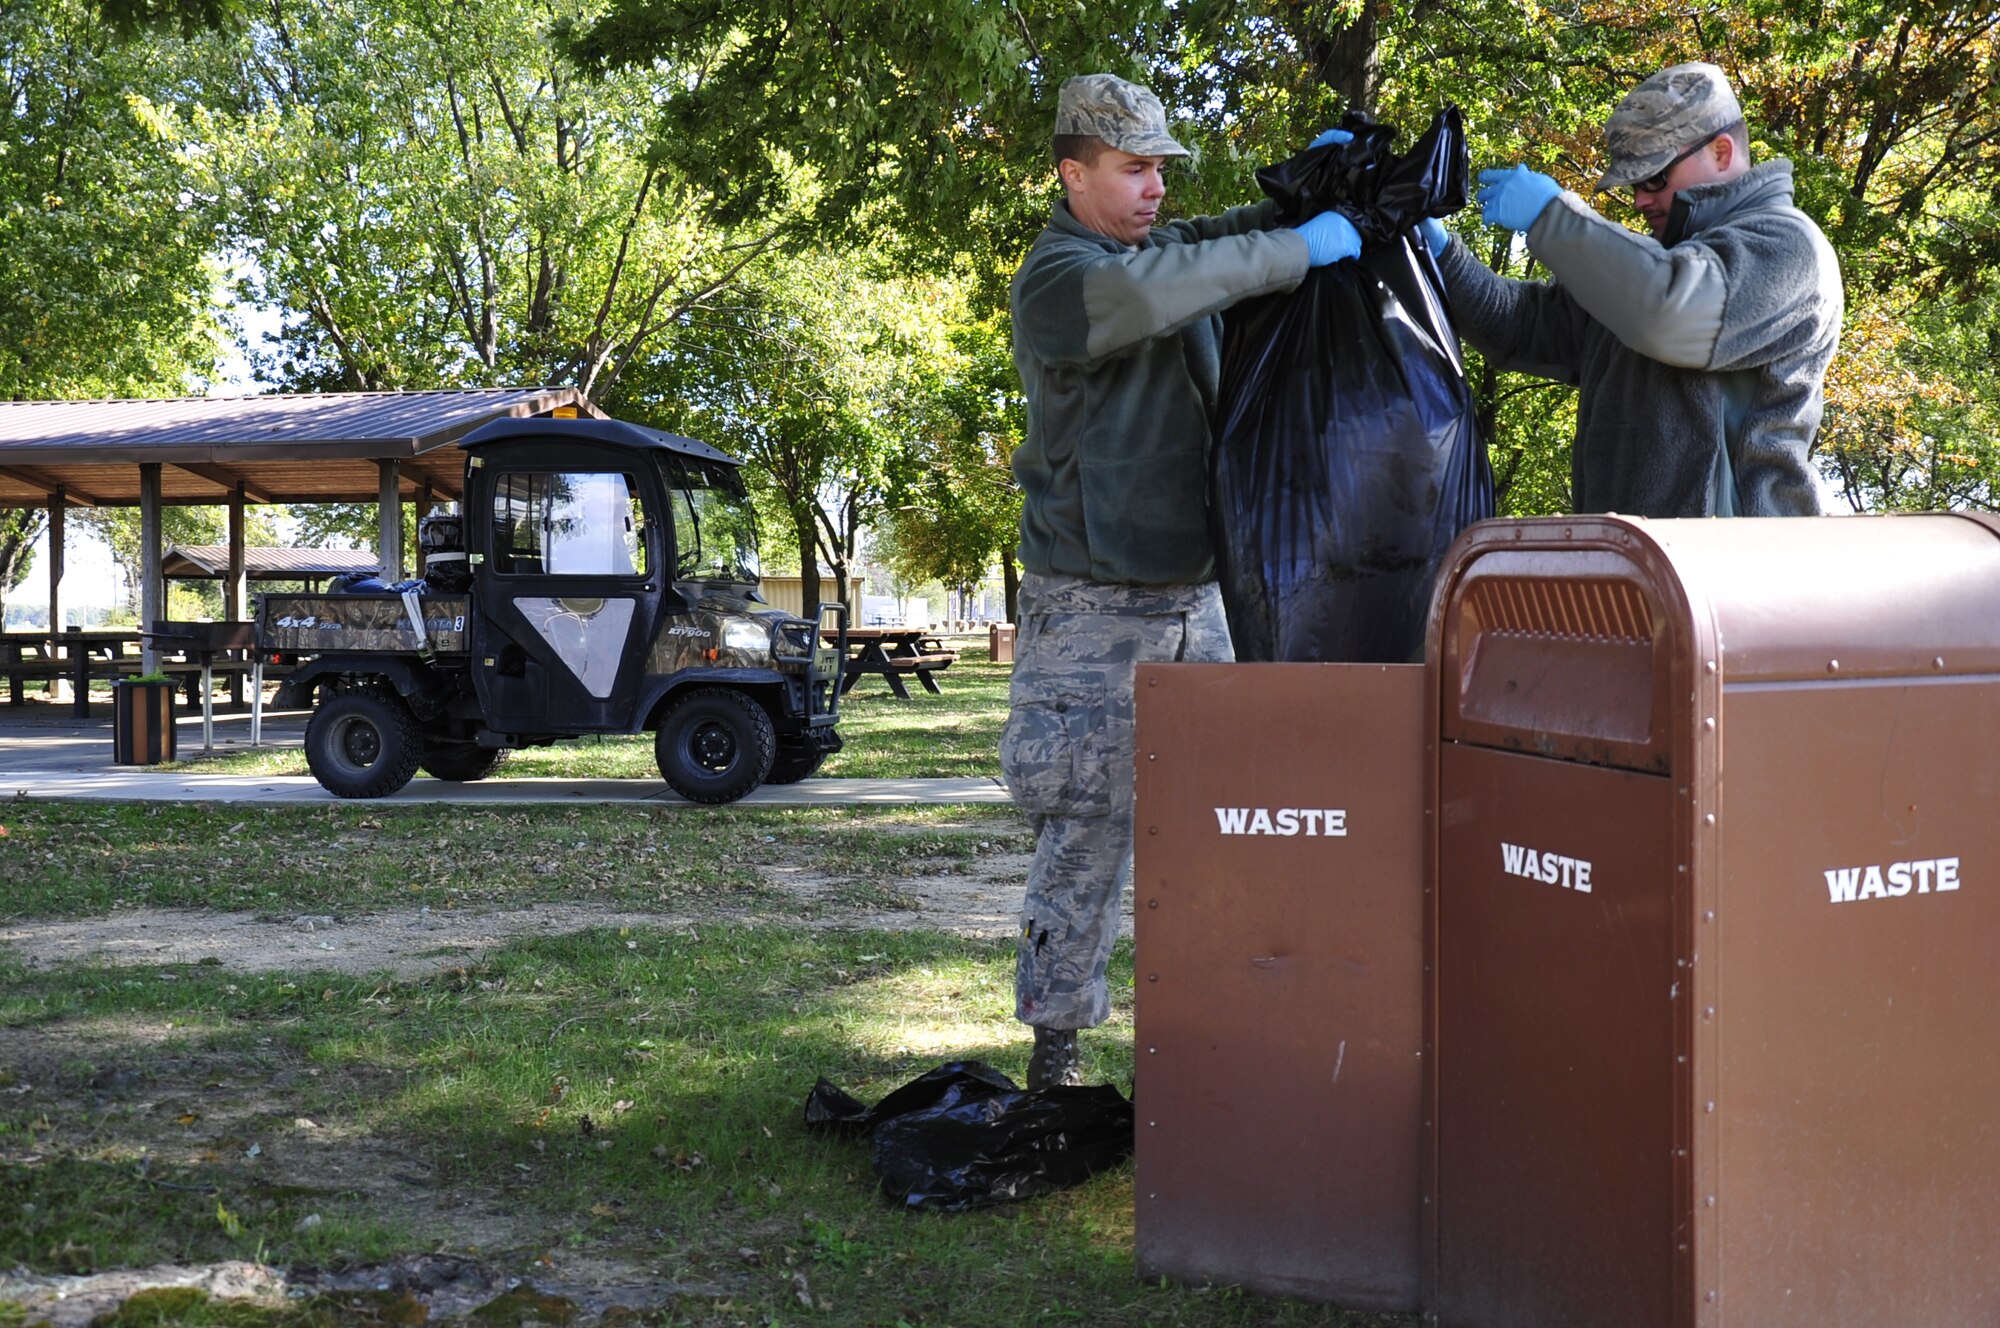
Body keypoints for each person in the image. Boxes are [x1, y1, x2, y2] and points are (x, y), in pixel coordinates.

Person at [1001, 72, 1355, 1089]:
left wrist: (1307, 199)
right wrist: (1295, 247)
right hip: (1091, 604)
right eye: (1132, 169)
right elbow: (1164, 292)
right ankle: (1055, 1053)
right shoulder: (1061, 278)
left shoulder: (1151, 245)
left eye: (1162, 169)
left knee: (1227, 829)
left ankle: (1214, 1045)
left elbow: (1215, 240)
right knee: (1087, 830)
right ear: (1072, 175)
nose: (1154, 188)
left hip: (1199, 600)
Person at [1422, 61, 1842, 517]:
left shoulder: (1789, 246)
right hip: (1631, 562)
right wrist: (1435, 250)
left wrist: (1553, 218)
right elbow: (1524, 326)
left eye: (1654, 177)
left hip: (1735, 573)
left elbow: (1670, 313)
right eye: (1636, 183)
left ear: (1722, 153)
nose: (1641, 199)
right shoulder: (1644, 276)